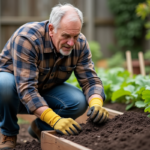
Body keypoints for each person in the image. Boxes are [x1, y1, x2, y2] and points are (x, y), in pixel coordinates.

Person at [0, 3, 108, 149]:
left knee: (78, 101)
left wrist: (96, 103)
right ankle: (9, 133)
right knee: (4, 84)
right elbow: (26, 89)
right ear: (51, 29)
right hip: (14, 94)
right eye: (66, 36)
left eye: (75, 36)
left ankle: (40, 128)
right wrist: (55, 119)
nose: (71, 43)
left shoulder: (80, 43)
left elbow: (90, 79)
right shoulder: (27, 38)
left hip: (45, 88)